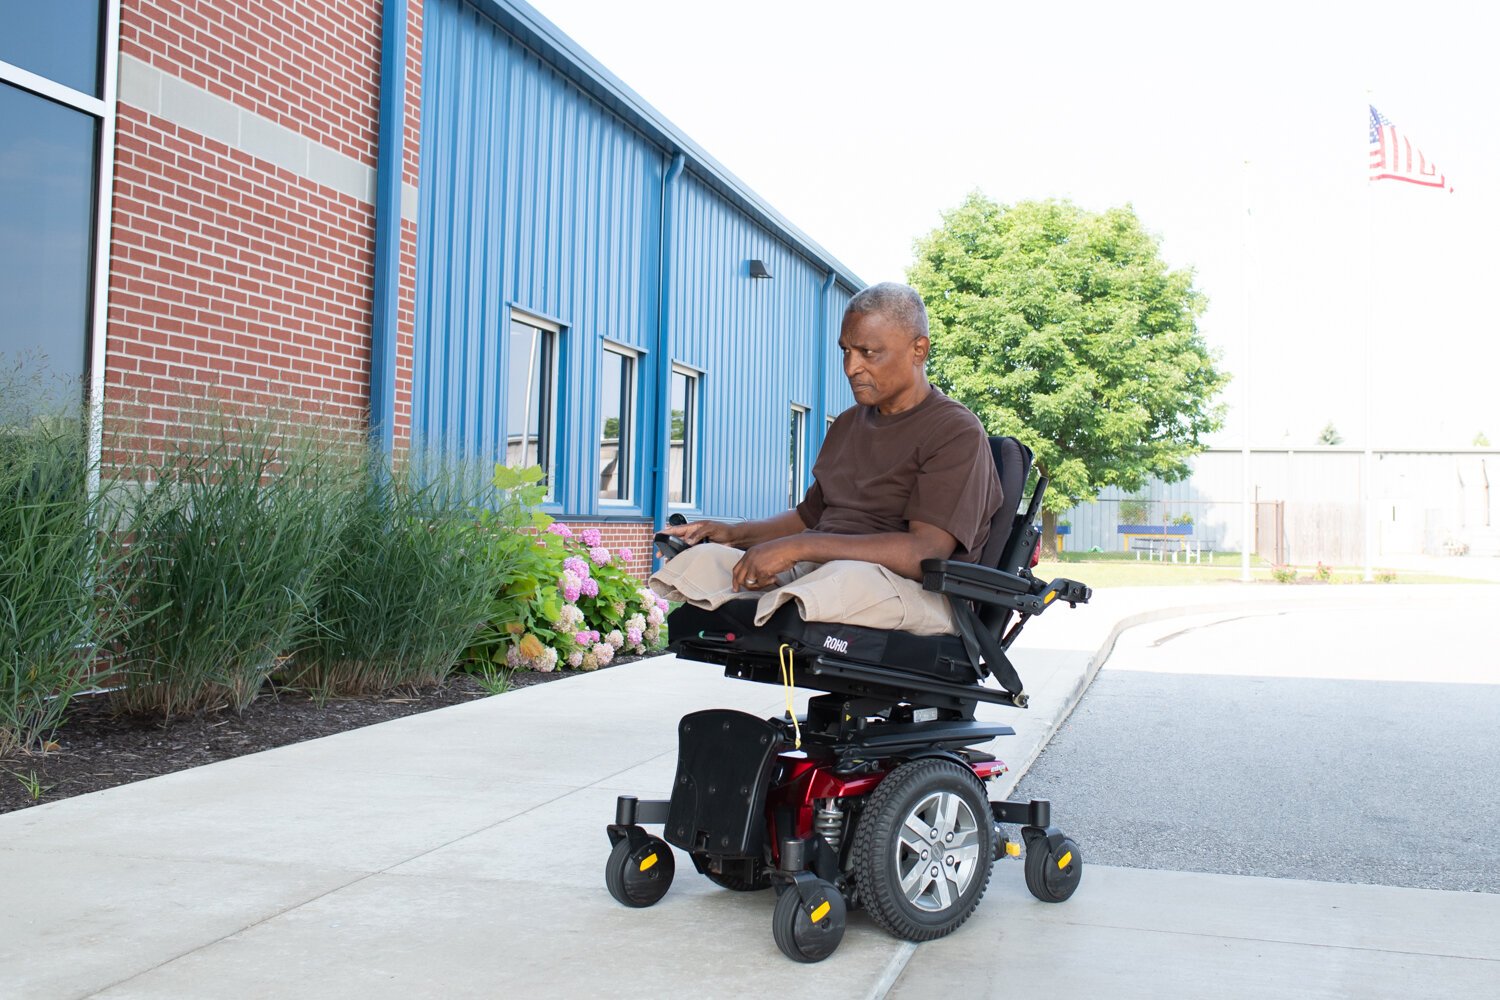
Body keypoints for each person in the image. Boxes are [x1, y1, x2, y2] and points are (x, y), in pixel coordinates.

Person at [649, 282, 1003, 635]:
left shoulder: (955, 431)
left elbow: (924, 553)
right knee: (706, 561)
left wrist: (797, 549)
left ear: (918, 350)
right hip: (826, 573)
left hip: (911, 592)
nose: (851, 367)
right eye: (846, 351)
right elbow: (809, 517)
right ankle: (781, 601)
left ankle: (786, 602)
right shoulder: (849, 423)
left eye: (868, 352)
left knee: (841, 579)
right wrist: (735, 534)